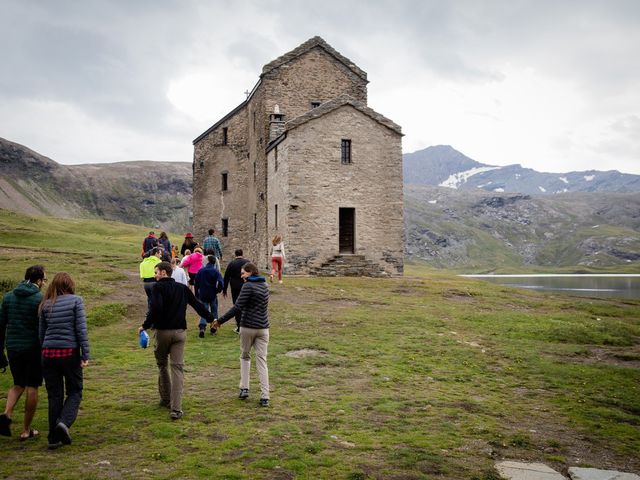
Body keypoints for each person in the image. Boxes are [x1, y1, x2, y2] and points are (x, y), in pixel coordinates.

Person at [138, 262, 215, 420]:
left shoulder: (157, 288)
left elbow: (155, 308)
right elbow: (197, 305)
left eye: (157, 272)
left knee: (162, 364)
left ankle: (166, 398)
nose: (155, 275)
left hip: (162, 331)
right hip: (180, 332)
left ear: (164, 273)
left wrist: (145, 325)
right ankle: (176, 408)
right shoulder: (182, 288)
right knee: (177, 369)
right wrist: (211, 318)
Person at [39, 272, 90, 450]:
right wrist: (85, 354)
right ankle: (63, 423)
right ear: (70, 284)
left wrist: (42, 353)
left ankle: (53, 438)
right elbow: (81, 329)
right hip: (69, 352)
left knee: (54, 395)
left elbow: (42, 334)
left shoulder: (45, 304)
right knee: (75, 390)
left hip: (48, 353)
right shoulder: (76, 301)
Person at [213, 263, 270, 407]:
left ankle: (244, 388)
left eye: (243, 273)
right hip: (263, 328)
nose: (241, 276)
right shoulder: (265, 286)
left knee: (245, 356)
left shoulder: (248, 286)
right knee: (262, 360)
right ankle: (265, 395)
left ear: (250, 273)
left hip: (248, 327)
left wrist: (220, 321)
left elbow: (237, 307)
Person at [0, 265, 46, 440]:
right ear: (39, 281)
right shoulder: (39, 299)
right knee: (32, 386)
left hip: (13, 347)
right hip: (33, 348)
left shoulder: (8, 297)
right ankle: (26, 430)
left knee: (17, 383)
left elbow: (1, 325)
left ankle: (7, 414)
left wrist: (0, 350)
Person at [194, 255, 224, 338]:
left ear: (208, 261)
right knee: (214, 310)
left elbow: (196, 283)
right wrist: (218, 290)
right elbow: (221, 282)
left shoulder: (201, 271)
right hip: (212, 293)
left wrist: (196, 293)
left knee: (204, 311)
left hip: (203, 293)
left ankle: (202, 327)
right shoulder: (215, 271)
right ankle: (214, 326)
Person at [223, 249, 249, 333]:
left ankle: (239, 326)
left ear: (235, 254)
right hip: (246, 286)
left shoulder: (232, 263)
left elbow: (226, 276)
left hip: (235, 287)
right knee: (246, 305)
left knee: (237, 305)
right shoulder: (247, 262)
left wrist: (224, 289)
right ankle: (246, 324)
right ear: (242, 254)